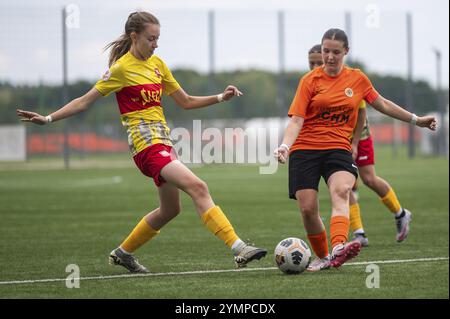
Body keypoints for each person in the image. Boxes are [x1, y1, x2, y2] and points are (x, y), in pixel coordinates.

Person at [17, 11, 267, 274]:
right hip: (146, 147)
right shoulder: (121, 69)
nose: (156, 44)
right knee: (199, 186)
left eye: (158, 38)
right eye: (151, 38)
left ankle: (123, 254)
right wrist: (47, 118)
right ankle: (239, 248)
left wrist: (220, 97)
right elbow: (84, 101)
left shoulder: (158, 64)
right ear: (134, 37)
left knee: (170, 210)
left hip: (164, 142)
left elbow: (185, 101)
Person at [274, 29, 436, 272]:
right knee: (308, 209)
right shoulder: (309, 81)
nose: (329, 57)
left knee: (342, 191)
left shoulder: (357, 79)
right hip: (305, 149)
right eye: (326, 51)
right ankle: (323, 256)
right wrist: (285, 146)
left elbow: (382, 104)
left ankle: (339, 247)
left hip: (338, 148)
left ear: (346, 52)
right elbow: (296, 120)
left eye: (335, 52)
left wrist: (416, 120)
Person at [308, 44, 413, 247]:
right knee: (342, 187)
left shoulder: (349, 79)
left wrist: (354, 142)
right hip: (333, 140)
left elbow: (362, 113)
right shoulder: (312, 82)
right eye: (311, 62)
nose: (315, 66)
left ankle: (400, 213)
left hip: (358, 136)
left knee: (369, 179)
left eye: (317, 62)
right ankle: (359, 233)